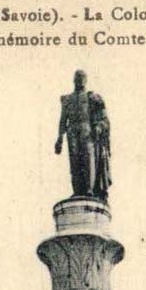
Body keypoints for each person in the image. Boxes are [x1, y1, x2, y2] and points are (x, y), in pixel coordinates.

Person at [55, 71, 112, 201]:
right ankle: (77, 191)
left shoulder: (92, 98)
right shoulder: (67, 100)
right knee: (74, 161)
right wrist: (59, 138)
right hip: (72, 131)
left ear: (85, 81)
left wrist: (98, 127)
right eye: (77, 78)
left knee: (88, 160)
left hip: (87, 131)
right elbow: (63, 120)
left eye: (82, 78)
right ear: (73, 80)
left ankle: (89, 189)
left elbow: (104, 118)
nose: (80, 81)